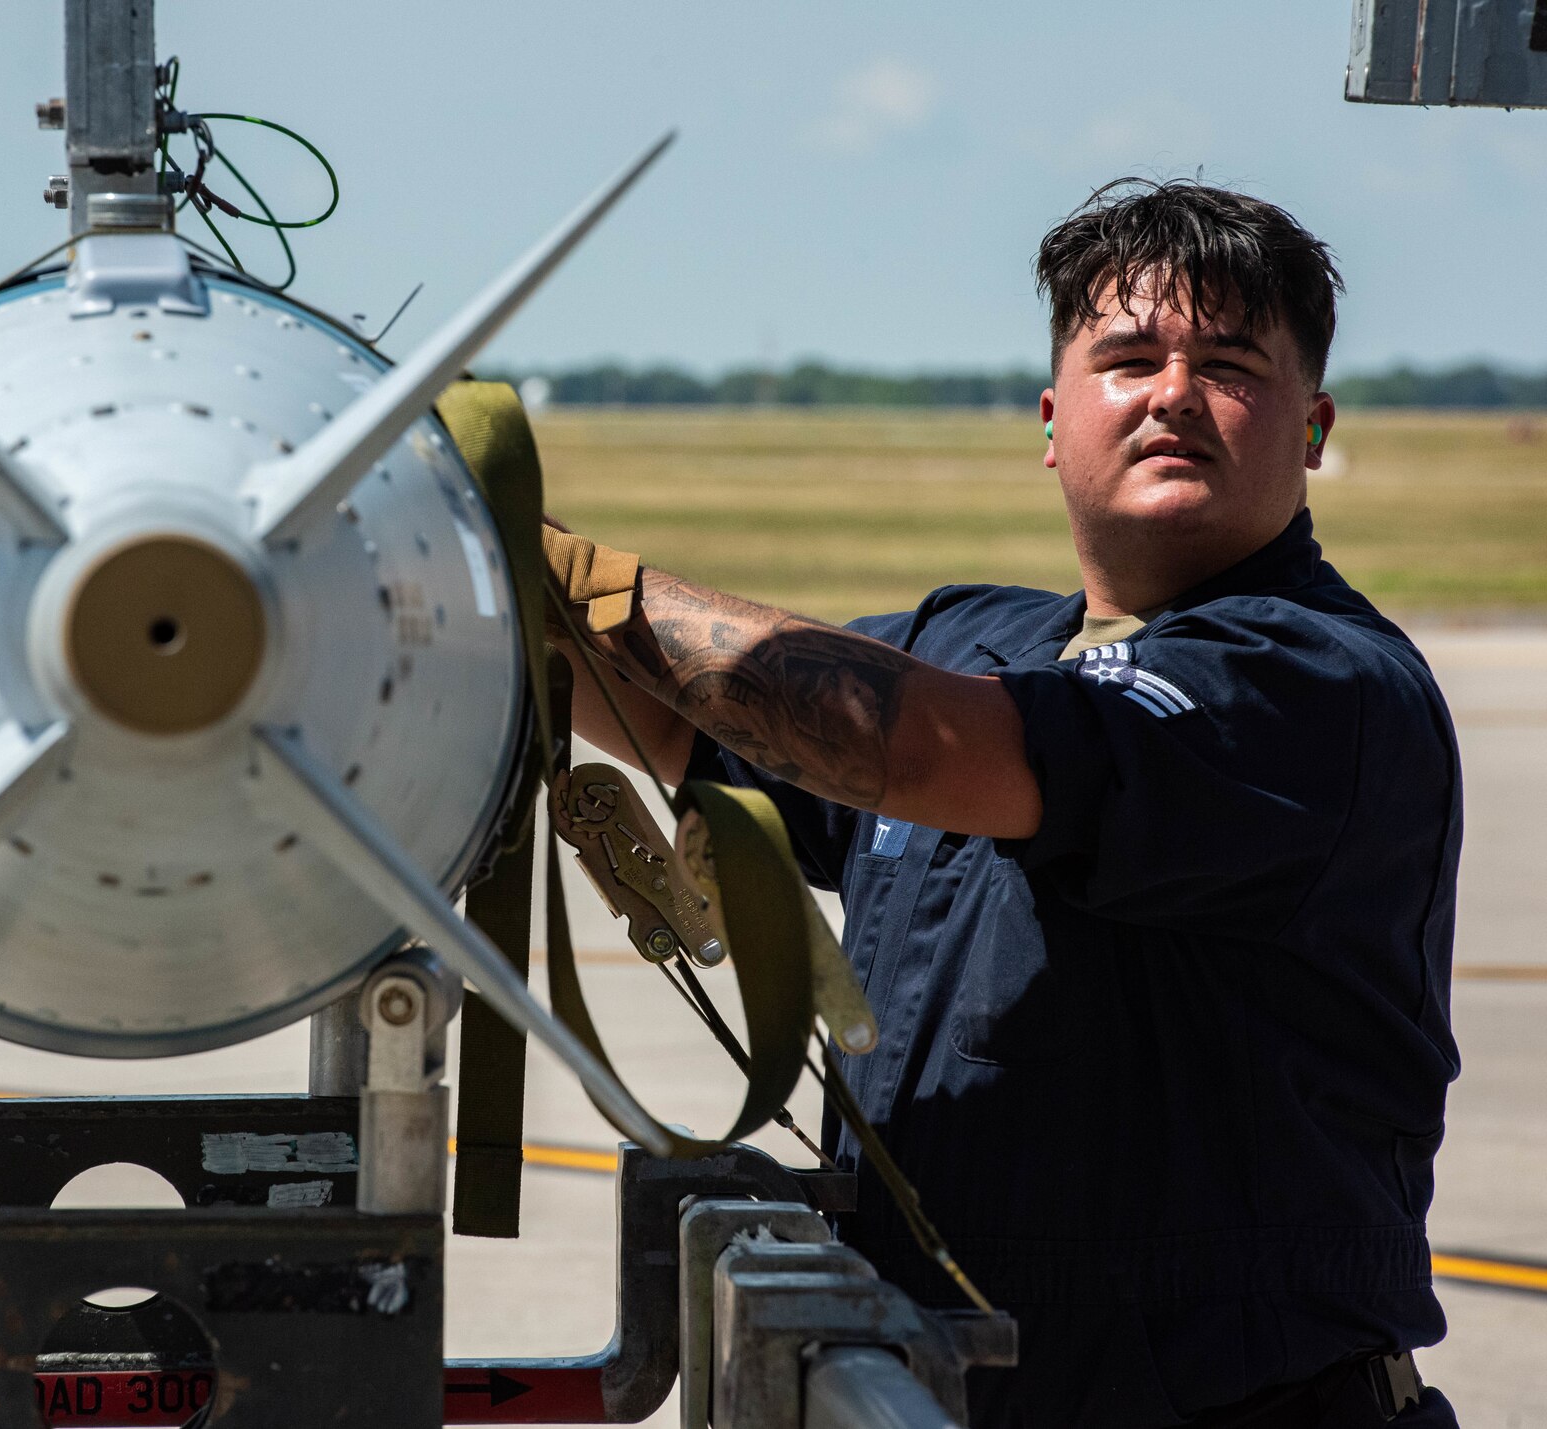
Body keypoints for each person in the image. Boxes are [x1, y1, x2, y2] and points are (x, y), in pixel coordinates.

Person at [542, 180, 1462, 1428]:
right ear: (1050, 419)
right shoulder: (968, 639)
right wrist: (477, 551)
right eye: (1127, 357)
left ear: (1310, 425)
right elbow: (679, 719)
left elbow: (914, 745)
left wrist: (577, 581)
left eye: (1230, 364)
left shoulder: (1313, 683)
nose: (1173, 393)